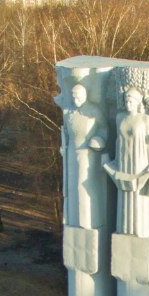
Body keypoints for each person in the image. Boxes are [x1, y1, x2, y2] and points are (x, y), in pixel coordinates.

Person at [104, 87, 149, 237]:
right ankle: (124, 230)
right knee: (124, 196)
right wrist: (115, 160)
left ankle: (138, 231)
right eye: (126, 100)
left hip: (138, 161)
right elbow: (117, 139)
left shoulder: (145, 120)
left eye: (131, 101)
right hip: (123, 161)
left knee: (138, 195)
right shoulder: (120, 117)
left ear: (137, 102)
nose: (128, 103)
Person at [60, 83, 106, 228]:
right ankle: (74, 220)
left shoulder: (93, 111)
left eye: (78, 96)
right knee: (72, 186)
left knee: (83, 185)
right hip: (71, 152)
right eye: (73, 97)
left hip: (87, 152)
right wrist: (64, 147)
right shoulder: (69, 113)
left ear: (84, 95)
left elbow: (104, 128)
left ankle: (88, 221)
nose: (75, 99)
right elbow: (66, 133)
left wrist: (99, 139)